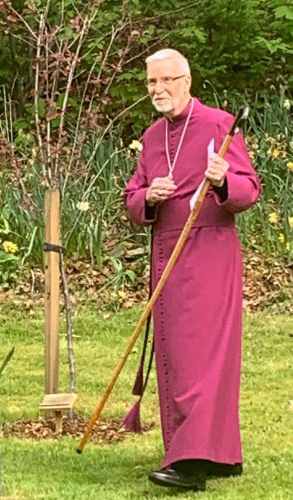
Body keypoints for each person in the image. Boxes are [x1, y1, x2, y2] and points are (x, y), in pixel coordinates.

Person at [124, 48, 261, 491]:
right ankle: (217, 455)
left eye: (166, 81)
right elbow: (132, 197)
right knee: (178, 357)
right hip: (166, 251)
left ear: (186, 81)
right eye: (151, 83)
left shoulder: (220, 125)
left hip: (210, 252)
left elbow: (249, 190)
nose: (158, 90)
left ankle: (191, 463)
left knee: (201, 358)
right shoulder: (150, 137)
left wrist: (221, 180)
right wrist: (149, 197)